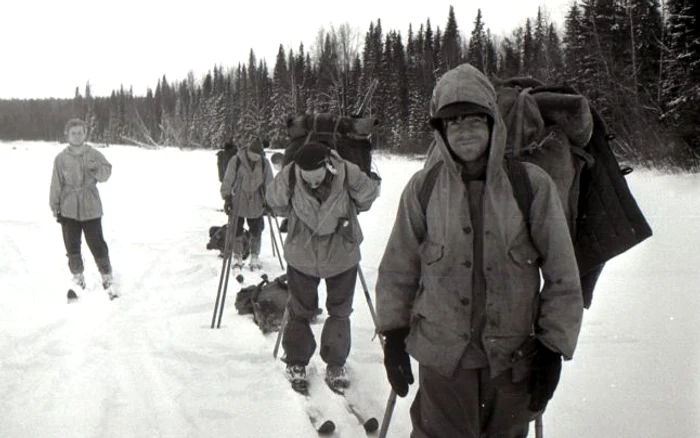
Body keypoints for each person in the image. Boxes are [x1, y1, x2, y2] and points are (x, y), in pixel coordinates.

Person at [375, 63, 584, 437]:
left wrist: (554, 349)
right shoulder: (423, 188)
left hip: (512, 363)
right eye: (453, 122)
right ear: (441, 131)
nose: (464, 131)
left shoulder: (531, 185)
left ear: (492, 124)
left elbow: (562, 274)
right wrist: (393, 335)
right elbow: (398, 269)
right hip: (443, 363)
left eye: (475, 120)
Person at [266, 142, 380, 393]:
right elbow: (275, 201)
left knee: (340, 311)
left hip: (341, 255)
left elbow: (368, 196)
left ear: (328, 166)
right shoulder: (292, 174)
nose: (313, 183)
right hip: (302, 256)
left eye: (318, 178)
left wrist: (359, 178)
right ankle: (296, 361)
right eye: (308, 179)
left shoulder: (346, 172)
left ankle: (336, 363)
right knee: (299, 310)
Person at [50, 118, 114, 293]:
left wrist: (95, 169)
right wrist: (55, 205)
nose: (77, 136)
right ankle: (78, 278)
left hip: (91, 205)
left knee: (96, 242)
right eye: (73, 133)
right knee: (71, 244)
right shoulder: (60, 158)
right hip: (68, 207)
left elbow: (106, 174)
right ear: (67, 135)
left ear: (85, 134)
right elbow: (56, 183)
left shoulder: (93, 154)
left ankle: (107, 276)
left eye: (80, 132)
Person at [220, 138, 273, 270]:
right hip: (239, 200)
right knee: (236, 229)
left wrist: (271, 201)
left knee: (257, 230)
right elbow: (228, 179)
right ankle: (237, 255)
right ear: (248, 151)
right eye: (254, 154)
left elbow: (269, 183)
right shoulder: (236, 161)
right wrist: (226, 197)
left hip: (257, 201)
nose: (256, 157)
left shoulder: (265, 164)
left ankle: (255, 255)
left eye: (258, 155)